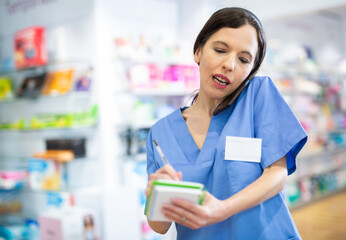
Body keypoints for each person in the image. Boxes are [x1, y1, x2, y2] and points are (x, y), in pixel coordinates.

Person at [145, 7, 307, 240]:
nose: (230, 65)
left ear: (251, 70)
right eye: (220, 50)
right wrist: (156, 195)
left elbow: (276, 175)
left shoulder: (257, 98)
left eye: (243, 59)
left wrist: (222, 210)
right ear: (198, 51)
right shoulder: (161, 133)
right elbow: (159, 227)